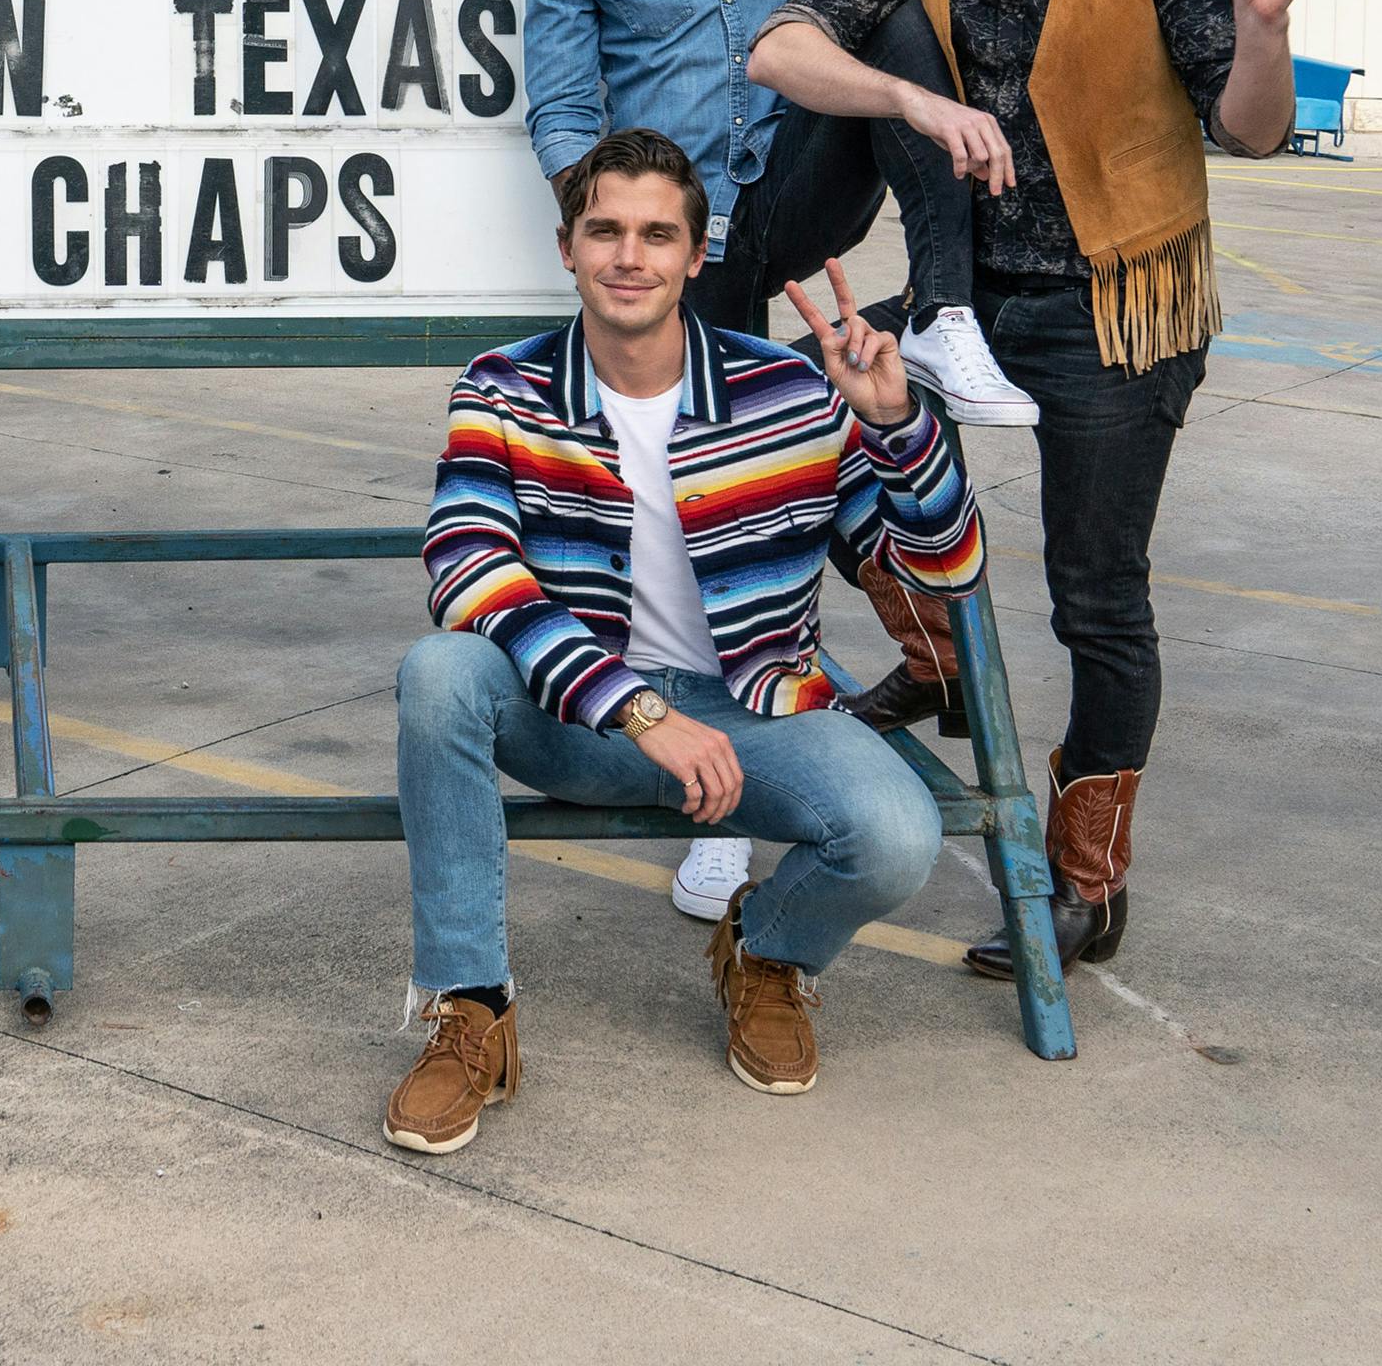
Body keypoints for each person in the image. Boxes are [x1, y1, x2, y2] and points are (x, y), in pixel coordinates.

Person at [749, 0, 1329, 976]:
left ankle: (1086, 878)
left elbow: (1254, 130)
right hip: (979, 300)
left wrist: (1265, 20)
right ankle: (938, 657)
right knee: (789, 415)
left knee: (1096, 600)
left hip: (1119, 305)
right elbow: (779, 48)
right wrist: (908, 93)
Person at [522, 0, 1034, 925]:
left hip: (804, 193)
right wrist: (629, 250)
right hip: (696, 244)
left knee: (900, 26)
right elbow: (563, 115)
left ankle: (949, 317)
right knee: (725, 520)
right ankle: (728, 815)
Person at [384, 128, 985, 1152]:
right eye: (606, 229)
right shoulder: (503, 386)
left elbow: (941, 568)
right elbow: (468, 567)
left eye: (657, 234)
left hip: (755, 719)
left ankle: (768, 951)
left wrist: (895, 429)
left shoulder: (789, 394)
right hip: (582, 720)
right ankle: (469, 1006)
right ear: (567, 246)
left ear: (696, 258)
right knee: (440, 672)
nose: (630, 255)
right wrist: (637, 708)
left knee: (897, 830)